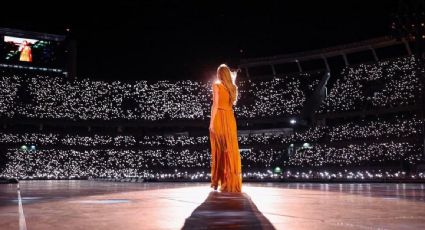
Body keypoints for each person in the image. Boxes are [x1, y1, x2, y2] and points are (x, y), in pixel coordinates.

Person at [209, 64, 242, 192]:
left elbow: (215, 104)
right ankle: (230, 182)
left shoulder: (216, 85)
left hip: (219, 118)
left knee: (219, 149)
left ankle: (218, 181)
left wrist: (211, 122)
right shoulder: (233, 87)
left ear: (219, 74)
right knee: (230, 149)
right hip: (230, 119)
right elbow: (232, 103)